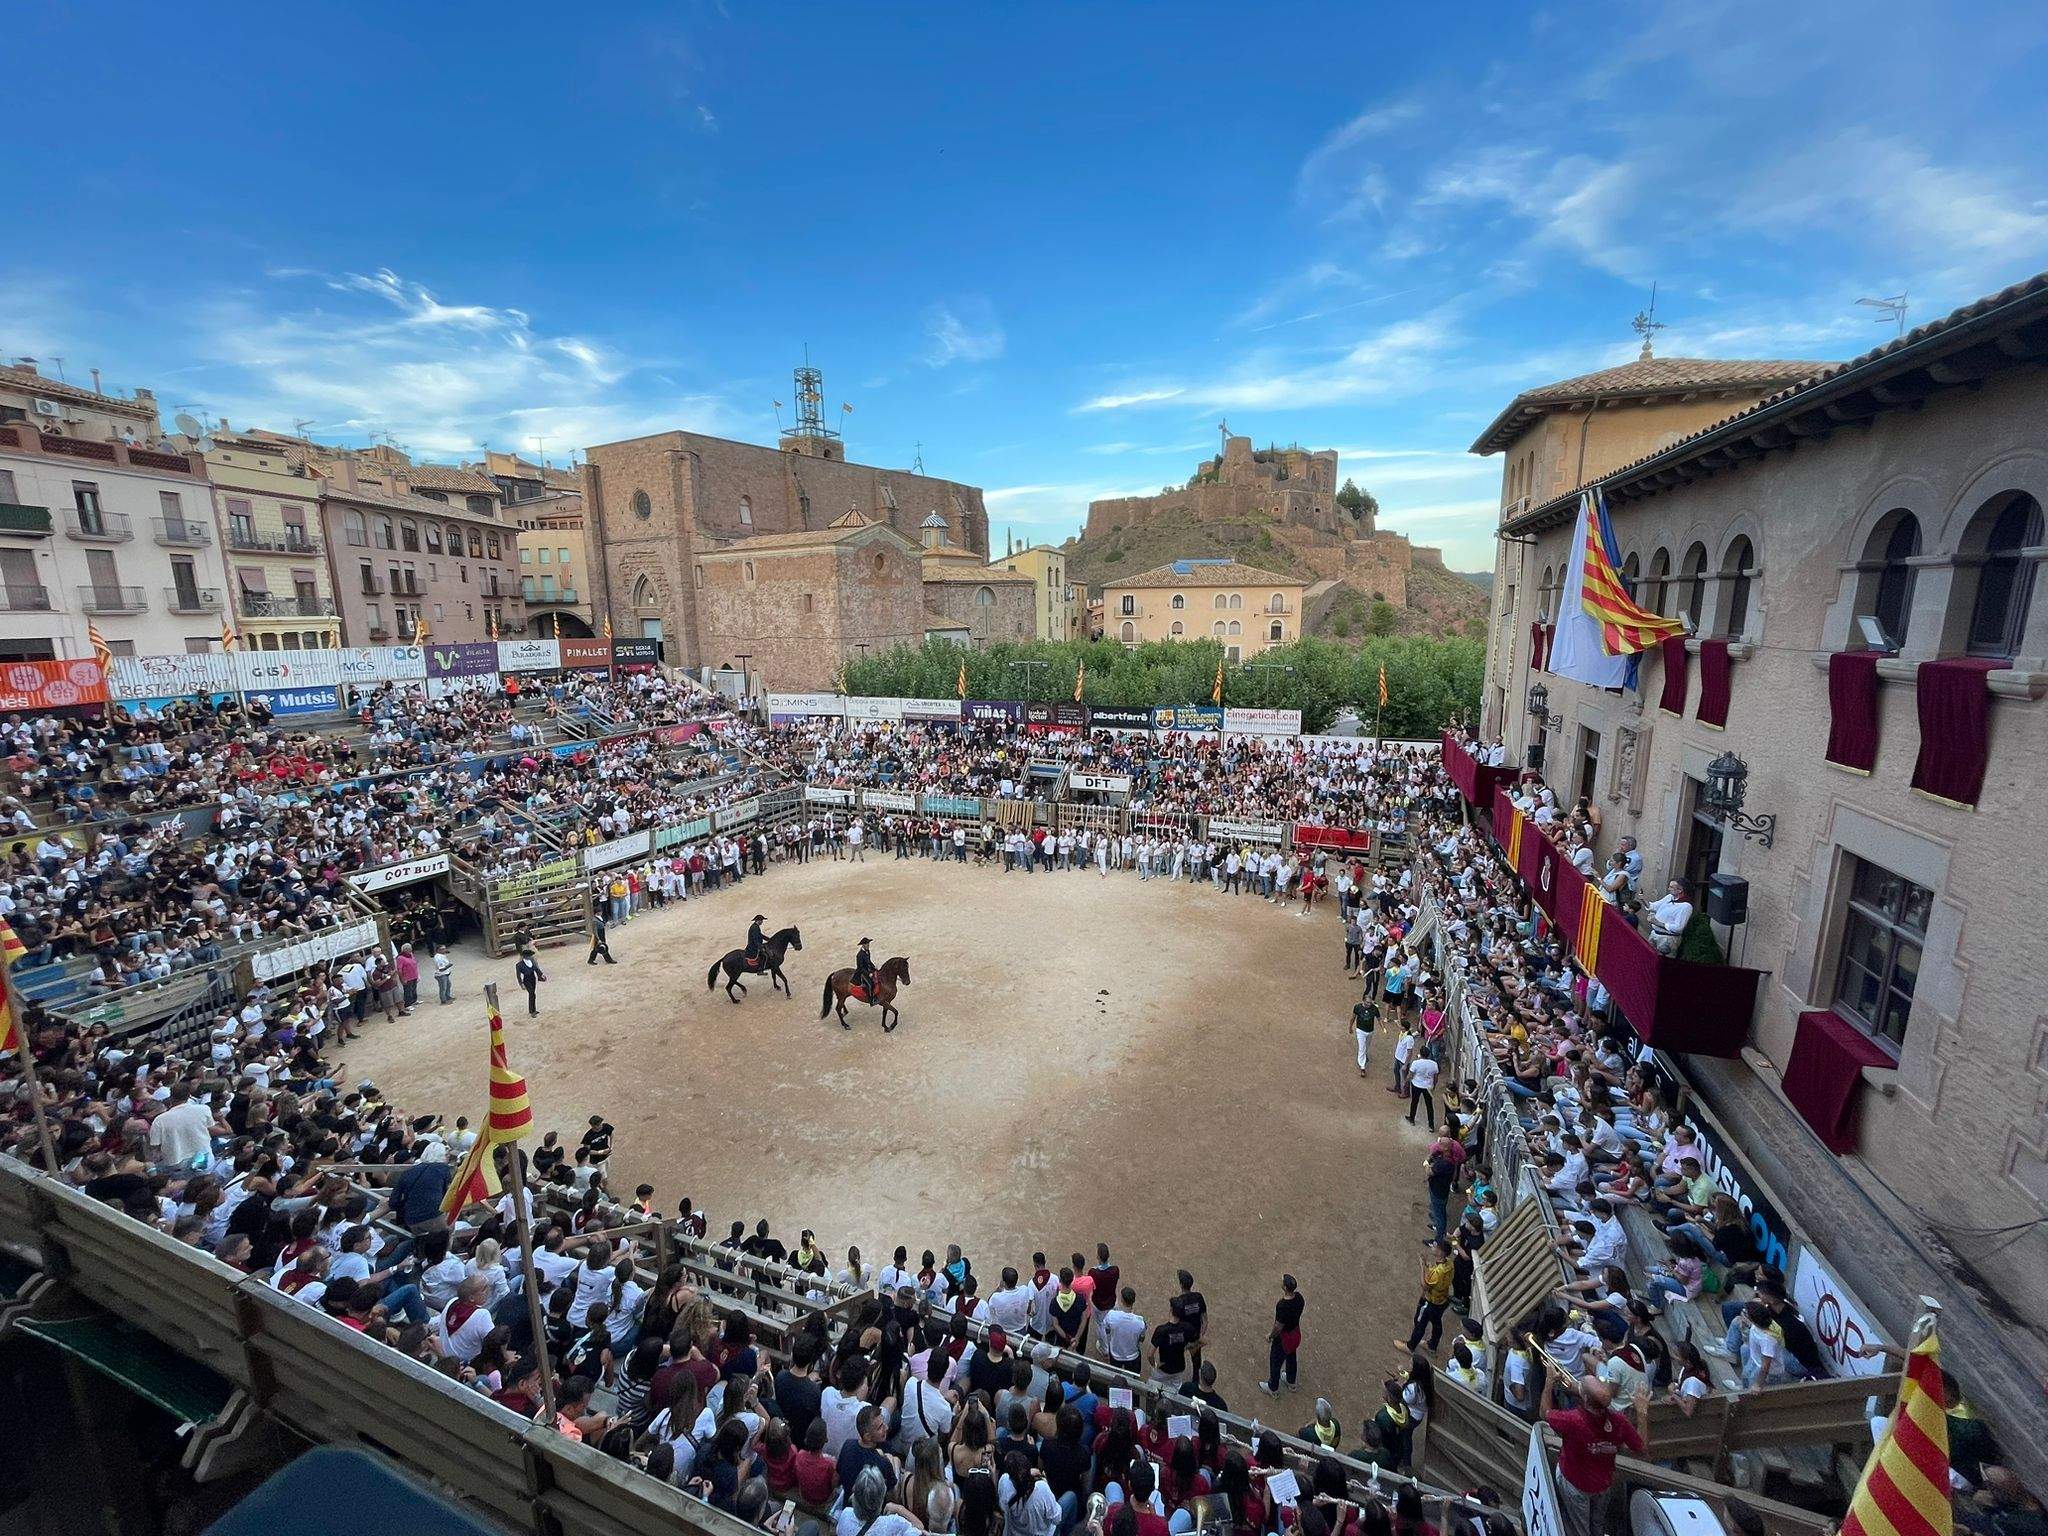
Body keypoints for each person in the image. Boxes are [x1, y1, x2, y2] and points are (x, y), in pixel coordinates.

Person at [1542, 1373, 1642, 1536]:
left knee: (1580, 1528)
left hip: (1576, 1484)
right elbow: (1640, 1448)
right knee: (1597, 1524)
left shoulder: (1573, 1420)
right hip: (1603, 1484)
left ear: (1586, 1399)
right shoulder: (1619, 1421)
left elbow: (1545, 1412)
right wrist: (1642, 1413)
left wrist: (1549, 1382)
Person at [1258, 1273, 1304, 1395]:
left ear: (1284, 1287)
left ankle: (1273, 1388)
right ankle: (1291, 1381)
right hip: (1295, 1334)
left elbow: (1278, 1326)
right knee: (1291, 1356)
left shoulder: (1282, 1306)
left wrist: (1270, 1336)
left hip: (1284, 1338)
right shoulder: (1299, 1298)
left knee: (1275, 1362)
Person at [515, 947, 546, 1017]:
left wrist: (541, 974)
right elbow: (518, 976)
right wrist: (521, 984)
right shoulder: (519, 965)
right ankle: (532, 1011)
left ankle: (533, 1009)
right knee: (531, 993)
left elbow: (536, 969)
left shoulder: (531, 961)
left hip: (533, 978)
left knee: (533, 994)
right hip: (527, 980)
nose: (530, 957)